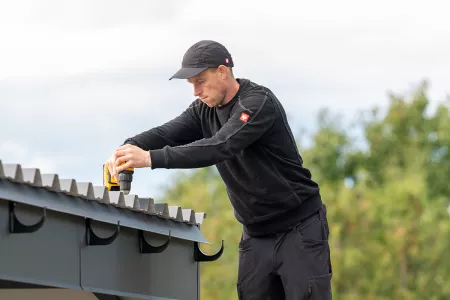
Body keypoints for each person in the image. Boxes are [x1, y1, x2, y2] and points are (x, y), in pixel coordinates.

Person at [106, 40, 333, 299]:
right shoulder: (203, 110)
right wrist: (128, 147)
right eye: (191, 84)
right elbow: (167, 132)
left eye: (200, 81)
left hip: (299, 230)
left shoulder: (257, 104)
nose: (195, 91)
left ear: (222, 72)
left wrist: (149, 158)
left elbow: (220, 146)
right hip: (256, 236)